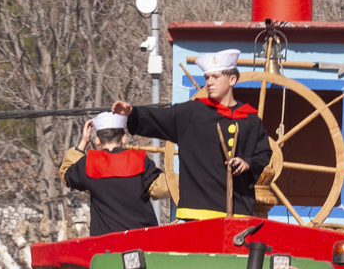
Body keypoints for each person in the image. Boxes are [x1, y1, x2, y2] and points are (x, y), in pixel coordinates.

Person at [112, 50, 272, 220]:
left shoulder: (250, 119)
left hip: (238, 211)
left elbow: (264, 154)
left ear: (232, 79)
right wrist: (132, 112)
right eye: (207, 78)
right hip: (197, 212)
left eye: (215, 77)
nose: (209, 82)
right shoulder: (191, 113)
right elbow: (159, 117)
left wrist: (247, 163)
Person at [61, 113, 163, 237]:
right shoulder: (140, 159)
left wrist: (83, 142)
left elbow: (66, 174)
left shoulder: (88, 163)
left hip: (107, 246)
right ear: (124, 139)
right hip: (143, 240)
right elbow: (158, 187)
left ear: (97, 140)